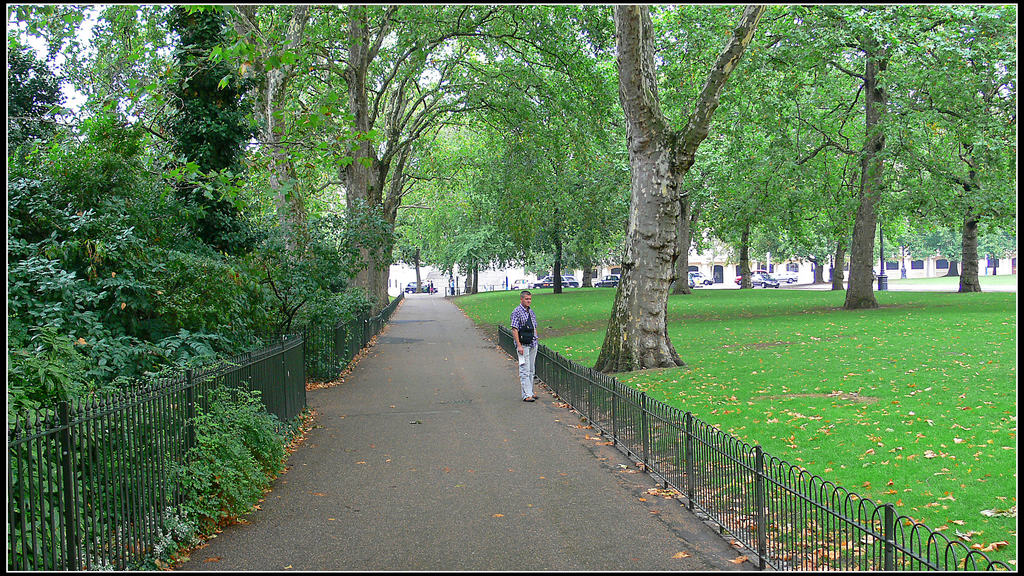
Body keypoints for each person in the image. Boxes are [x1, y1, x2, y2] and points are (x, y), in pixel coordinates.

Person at [510, 290, 539, 402]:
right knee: (524, 369)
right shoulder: (516, 312)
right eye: (526, 299)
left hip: (532, 343)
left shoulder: (531, 312)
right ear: (521, 299)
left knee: (531, 369)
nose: (529, 301)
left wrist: (536, 338)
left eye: (530, 299)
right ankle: (526, 394)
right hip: (523, 345)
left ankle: (530, 391)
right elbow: (514, 329)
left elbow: (534, 326)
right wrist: (519, 345)